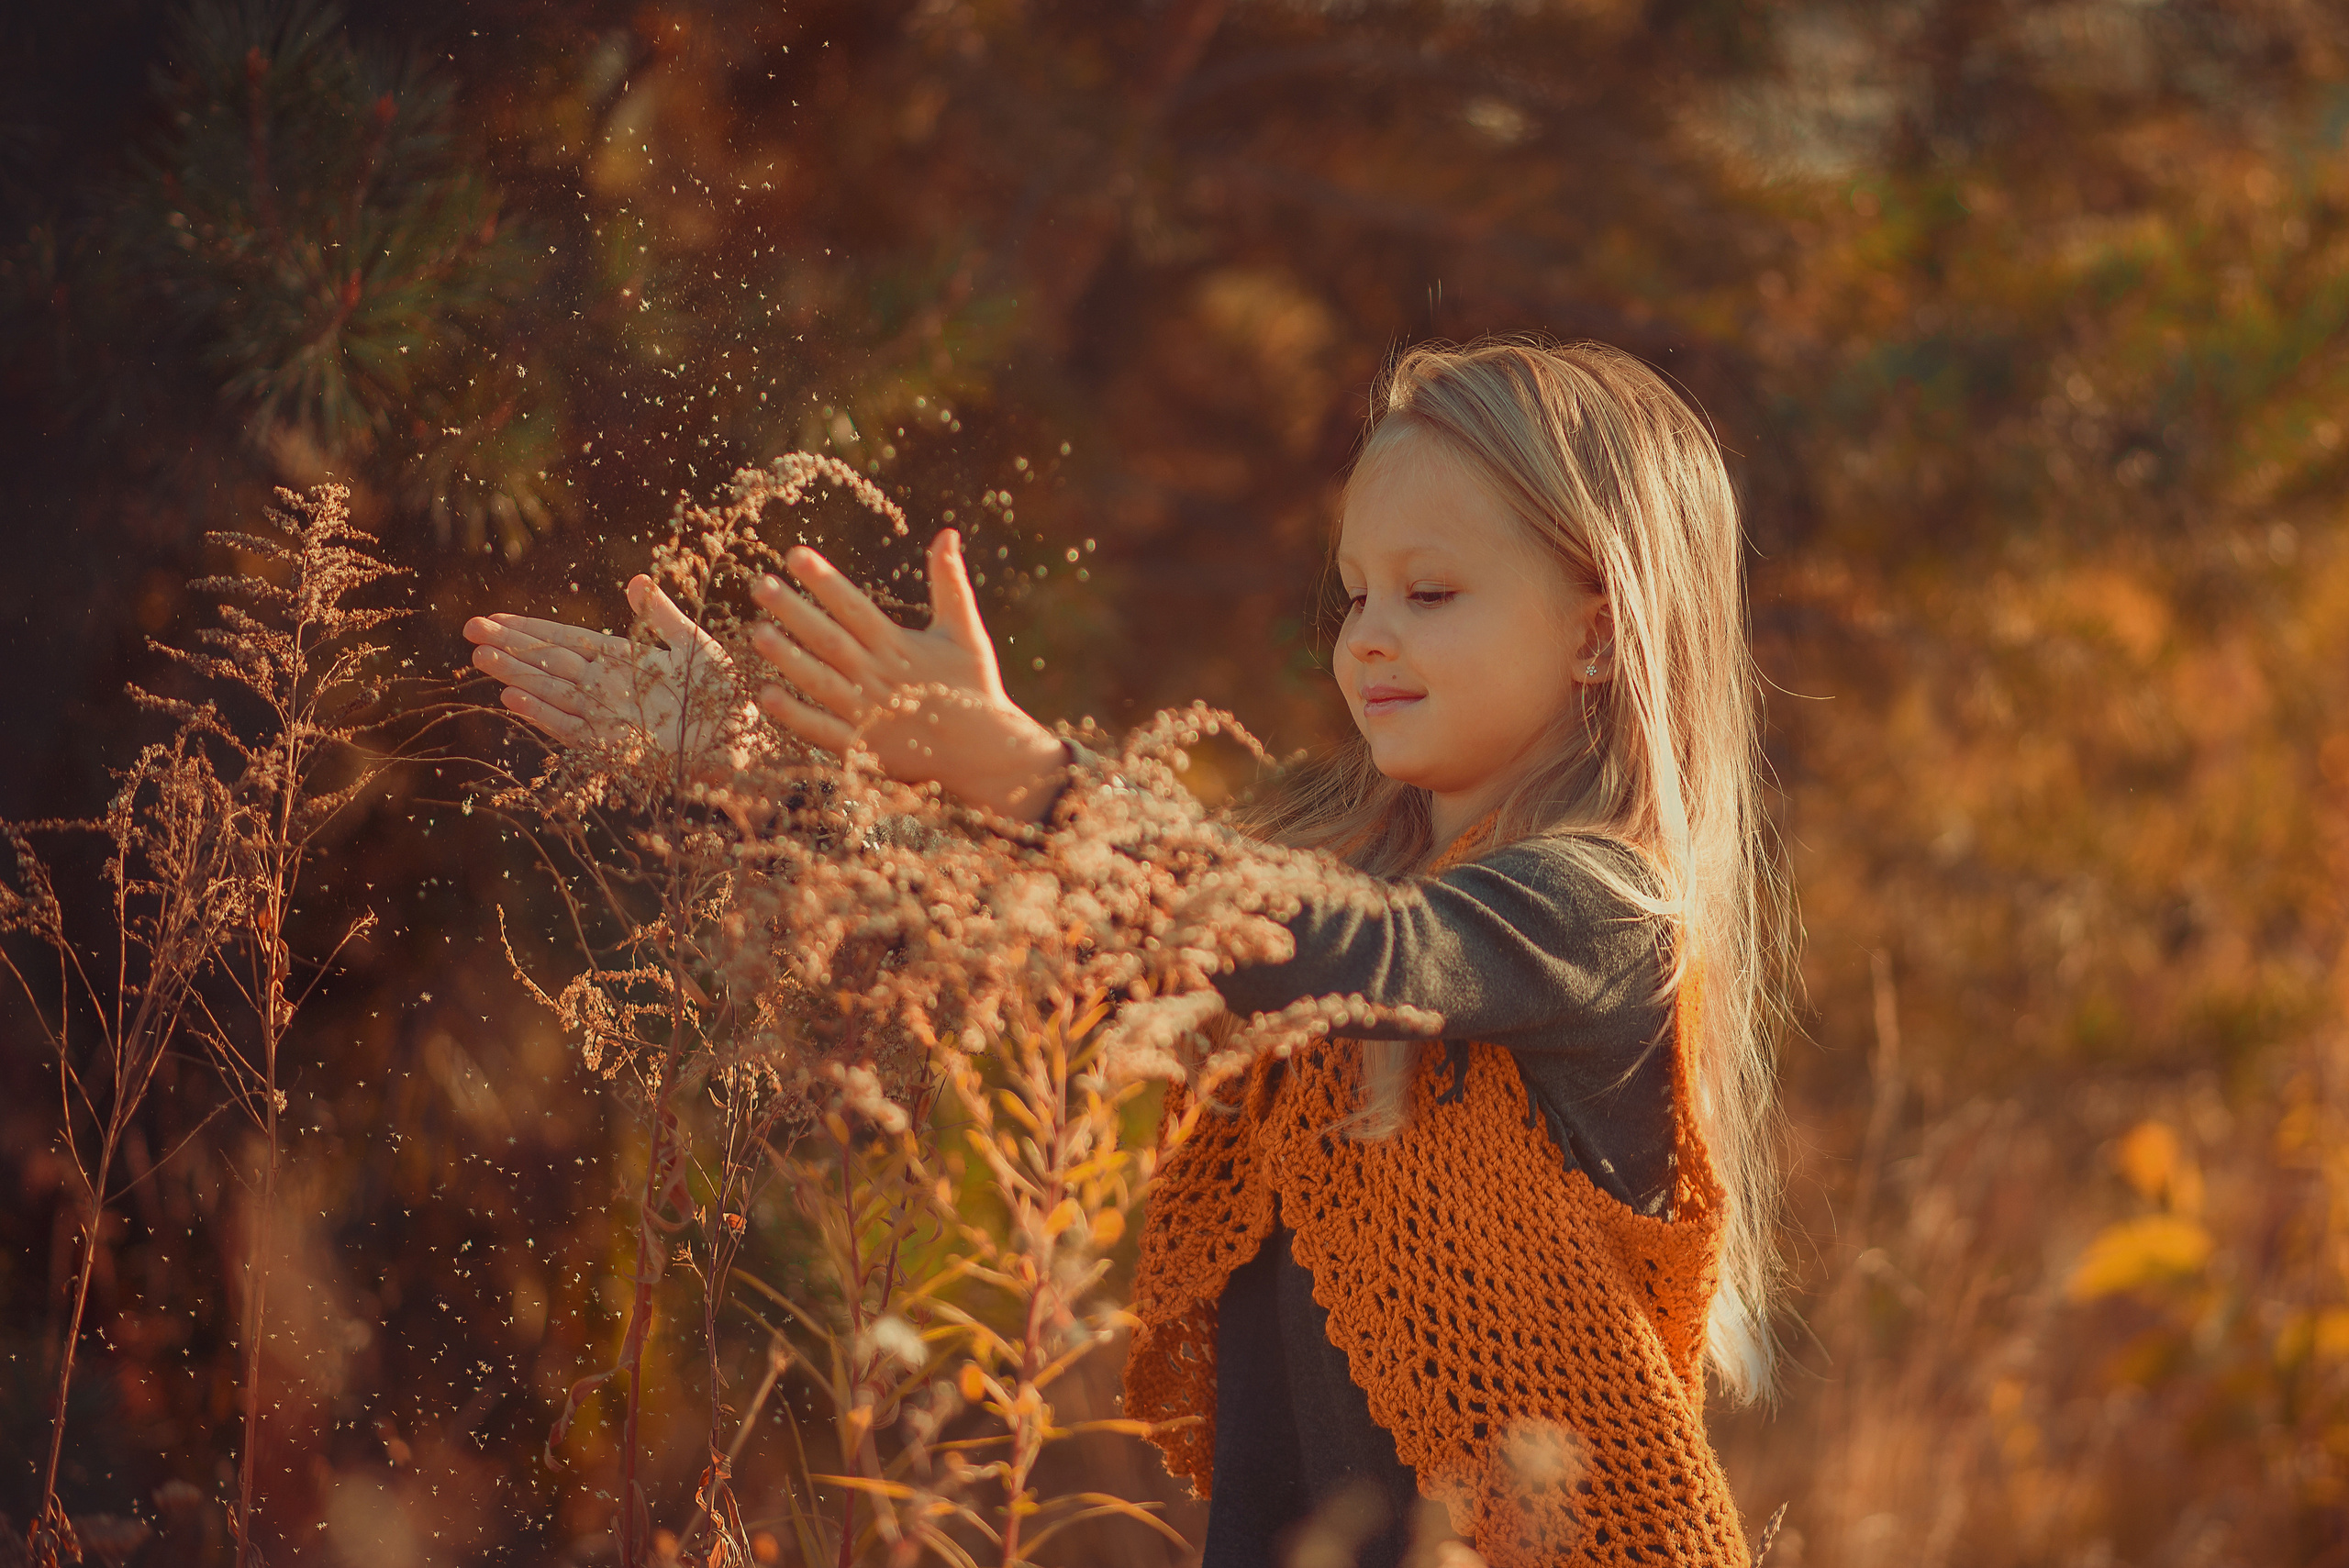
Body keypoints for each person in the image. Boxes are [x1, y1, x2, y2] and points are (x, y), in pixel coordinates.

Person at [465, 337, 1787, 1568]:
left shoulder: (1604, 911)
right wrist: (761, 774)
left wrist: (1032, 773)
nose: (1369, 634)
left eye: (1429, 592)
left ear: (1599, 630)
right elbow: (1022, 919)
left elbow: (1363, 955)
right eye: (1355, 595)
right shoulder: (1304, 884)